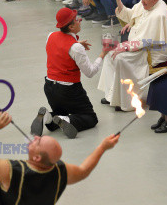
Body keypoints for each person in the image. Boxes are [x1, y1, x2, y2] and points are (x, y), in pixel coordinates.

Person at [0, 111, 119, 204]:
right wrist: (102, 147)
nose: (34, 138)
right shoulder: (60, 171)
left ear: (37, 159)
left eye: (38, 142)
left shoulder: (14, 172)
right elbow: (83, 170)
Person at [28, 8, 109, 139]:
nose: (80, 21)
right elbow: (90, 72)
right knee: (90, 118)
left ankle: (47, 117)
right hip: (69, 91)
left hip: (50, 87)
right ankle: (65, 120)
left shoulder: (51, 36)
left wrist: (76, 44)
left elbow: (60, 48)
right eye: (77, 20)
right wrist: (102, 54)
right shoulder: (75, 48)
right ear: (71, 26)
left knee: (60, 113)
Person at [97, 0, 167, 111]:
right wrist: (119, 1)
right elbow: (130, 15)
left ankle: (126, 102)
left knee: (120, 59)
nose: (142, 1)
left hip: (153, 51)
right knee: (111, 54)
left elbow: (149, 41)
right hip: (140, 45)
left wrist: (126, 46)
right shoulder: (146, 3)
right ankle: (112, 95)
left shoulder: (159, 14)